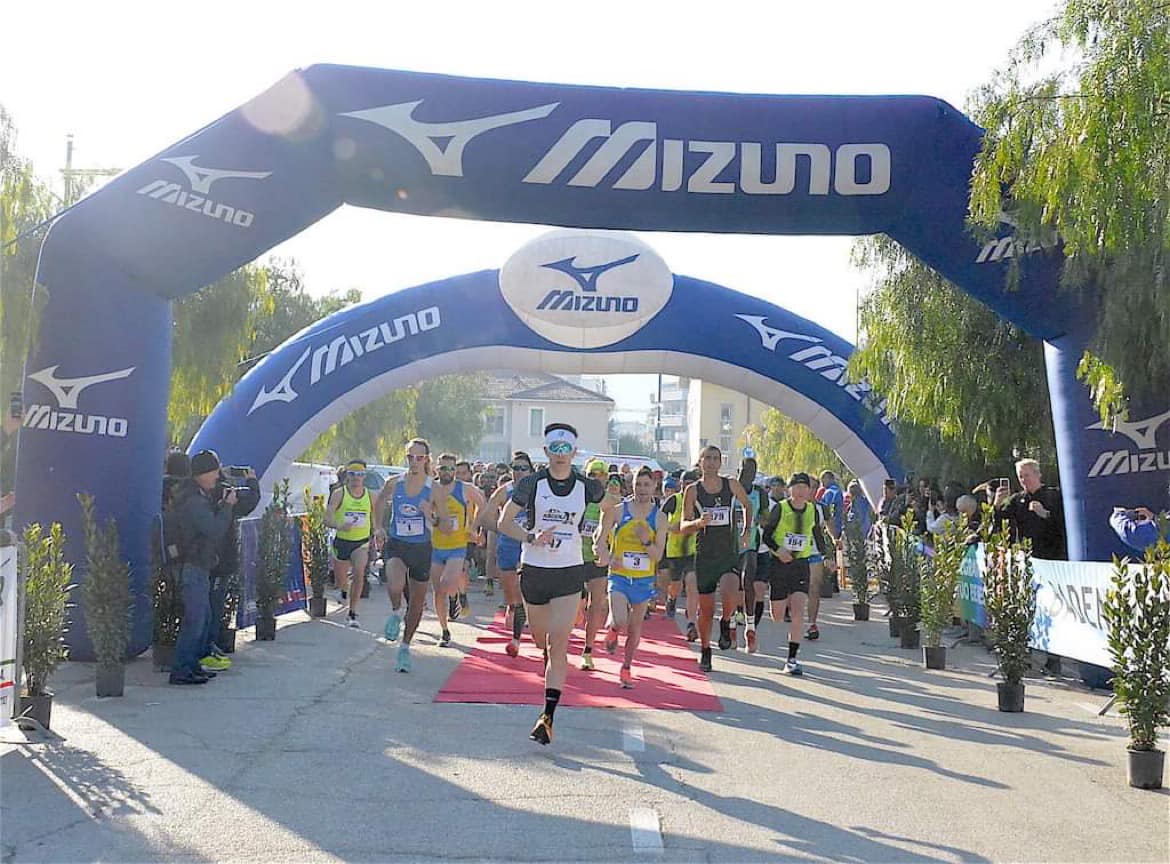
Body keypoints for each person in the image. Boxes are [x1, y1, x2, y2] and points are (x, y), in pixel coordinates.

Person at [497, 423, 604, 745]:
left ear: (574, 452)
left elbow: (611, 509)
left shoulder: (588, 486)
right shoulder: (531, 484)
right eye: (554, 448)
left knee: (559, 643)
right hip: (534, 570)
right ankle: (546, 662)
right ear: (546, 451)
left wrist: (601, 539)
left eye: (565, 448)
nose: (560, 454)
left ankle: (547, 716)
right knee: (541, 639)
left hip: (569, 572)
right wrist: (531, 537)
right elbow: (503, 522)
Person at [679, 445, 753, 672]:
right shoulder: (692, 490)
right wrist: (698, 523)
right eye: (707, 458)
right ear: (700, 462)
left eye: (715, 458)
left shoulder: (731, 484)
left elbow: (747, 505)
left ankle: (726, 621)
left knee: (731, 591)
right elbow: (683, 525)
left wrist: (746, 530)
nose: (711, 462)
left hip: (728, 553)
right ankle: (705, 650)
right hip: (705, 556)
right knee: (706, 610)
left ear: (720, 463)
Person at [596, 467, 669, 688]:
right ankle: (613, 629)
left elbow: (657, 556)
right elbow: (600, 539)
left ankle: (626, 668)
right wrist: (608, 557)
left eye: (647, 485)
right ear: (632, 486)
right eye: (638, 484)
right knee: (620, 620)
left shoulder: (660, 518)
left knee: (635, 629)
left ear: (654, 487)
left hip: (643, 580)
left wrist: (646, 541)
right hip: (619, 576)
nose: (642, 489)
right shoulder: (618, 511)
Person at [170, 450, 236, 685]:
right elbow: (214, 529)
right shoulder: (194, 501)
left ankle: (192, 664)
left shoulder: (198, 496)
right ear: (203, 473)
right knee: (196, 620)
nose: (217, 477)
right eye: (214, 472)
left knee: (204, 618)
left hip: (200, 566)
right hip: (192, 566)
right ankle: (181, 669)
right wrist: (226, 507)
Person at [373, 438, 436, 672]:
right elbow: (379, 500)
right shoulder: (394, 483)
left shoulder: (434, 487)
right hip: (397, 543)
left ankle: (405, 647)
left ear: (426, 459)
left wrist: (430, 515)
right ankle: (395, 611)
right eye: (410, 457)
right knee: (395, 585)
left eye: (419, 457)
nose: (414, 462)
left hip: (422, 548)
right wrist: (378, 527)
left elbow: (443, 522)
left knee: (417, 603)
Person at [761, 472, 828, 676]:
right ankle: (783, 604)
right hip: (780, 565)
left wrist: (827, 556)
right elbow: (766, 536)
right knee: (778, 616)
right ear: (789, 490)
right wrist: (778, 550)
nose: (800, 492)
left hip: (801, 565)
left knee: (799, 611)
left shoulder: (812, 510)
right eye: (796, 487)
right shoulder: (780, 509)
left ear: (809, 491)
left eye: (804, 488)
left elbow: (817, 534)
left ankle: (792, 659)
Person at [474, 451, 536, 658]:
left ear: (531, 470)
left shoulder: (539, 489)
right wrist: (503, 528)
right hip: (508, 547)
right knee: (512, 595)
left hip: (530, 547)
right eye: (515, 468)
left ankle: (515, 640)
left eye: (523, 468)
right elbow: (485, 517)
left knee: (523, 591)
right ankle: (514, 609)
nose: (519, 472)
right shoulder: (504, 491)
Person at [204, 463, 260, 670]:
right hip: (219, 560)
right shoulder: (225, 493)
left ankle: (205, 647)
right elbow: (250, 501)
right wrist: (251, 480)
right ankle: (207, 648)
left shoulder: (195, 493)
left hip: (202, 558)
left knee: (204, 606)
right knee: (213, 606)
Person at [431, 453, 486, 647]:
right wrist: (434, 520)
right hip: (435, 546)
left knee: (446, 583)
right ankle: (444, 630)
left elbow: (483, 505)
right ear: (437, 469)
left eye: (451, 469)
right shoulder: (431, 488)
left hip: (458, 546)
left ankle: (455, 595)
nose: (447, 472)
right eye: (443, 468)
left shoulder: (465, 489)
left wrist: (474, 527)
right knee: (438, 591)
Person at [326, 459, 374, 628]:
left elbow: (374, 518)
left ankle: (352, 613)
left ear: (364, 476)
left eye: (360, 474)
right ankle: (344, 590)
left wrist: (378, 533)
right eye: (352, 474)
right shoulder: (339, 493)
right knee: (341, 580)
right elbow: (327, 517)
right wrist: (339, 525)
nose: (356, 478)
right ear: (347, 475)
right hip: (342, 541)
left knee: (359, 573)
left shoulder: (370, 495)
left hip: (361, 543)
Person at [994, 459, 1067, 559]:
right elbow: (1000, 522)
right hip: (1028, 556)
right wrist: (997, 505)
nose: (1023, 480)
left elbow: (1065, 523)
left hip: (1053, 556)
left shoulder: (1055, 495)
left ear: (1038, 474)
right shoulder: (1016, 499)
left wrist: (1045, 514)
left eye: (1027, 475)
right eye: (1020, 477)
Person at [577, 459, 610, 670]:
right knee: (576, 607)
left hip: (598, 560)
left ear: (606, 478)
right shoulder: (577, 497)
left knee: (596, 604)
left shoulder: (609, 501)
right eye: (591, 475)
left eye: (600, 475)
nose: (596, 479)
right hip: (575, 558)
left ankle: (588, 650)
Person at [661, 471, 700, 641]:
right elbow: (659, 521)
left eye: (691, 483)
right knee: (675, 585)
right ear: (680, 484)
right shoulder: (673, 500)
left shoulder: (700, 503)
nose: (687, 487)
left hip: (693, 551)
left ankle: (691, 623)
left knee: (692, 584)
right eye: (685, 483)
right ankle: (671, 599)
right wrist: (672, 527)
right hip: (675, 551)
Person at [735, 458, 768, 653]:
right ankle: (731, 622)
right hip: (729, 545)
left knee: (748, 579)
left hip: (750, 543)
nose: (748, 474)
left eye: (752, 471)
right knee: (732, 586)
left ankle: (750, 627)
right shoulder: (730, 488)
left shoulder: (760, 493)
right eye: (745, 470)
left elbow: (765, 516)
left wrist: (761, 520)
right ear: (739, 470)